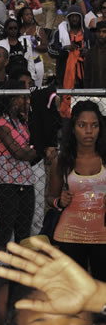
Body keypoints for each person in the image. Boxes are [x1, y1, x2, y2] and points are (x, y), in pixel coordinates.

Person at [46, 100, 106, 281]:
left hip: (103, 235)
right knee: (74, 290)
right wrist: (59, 201)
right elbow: (50, 197)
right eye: (82, 125)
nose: (89, 131)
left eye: (94, 125)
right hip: (70, 235)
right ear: (73, 128)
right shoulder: (62, 161)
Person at [0, 81, 36, 250]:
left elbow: (31, 148)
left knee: (23, 231)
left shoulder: (22, 123)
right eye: (19, 97)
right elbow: (18, 152)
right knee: (5, 229)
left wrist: (32, 149)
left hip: (26, 179)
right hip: (7, 181)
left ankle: (20, 270)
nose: (23, 101)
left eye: (24, 97)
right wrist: (35, 150)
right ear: (9, 99)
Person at [49, 5, 92, 117]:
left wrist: (88, 52)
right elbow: (50, 51)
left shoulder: (87, 34)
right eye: (71, 16)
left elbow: (97, 51)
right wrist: (64, 49)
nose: (74, 19)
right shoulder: (60, 33)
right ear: (68, 18)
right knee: (67, 109)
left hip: (85, 76)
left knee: (85, 107)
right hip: (65, 75)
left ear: (81, 18)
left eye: (76, 16)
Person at [0, 17, 40, 86]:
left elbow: (30, 62)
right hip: (9, 78)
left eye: (15, 28)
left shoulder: (25, 42)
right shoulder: (1, 44)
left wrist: (31, 78)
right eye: (10, 28)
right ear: (6, 30)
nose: (13, 30)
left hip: (24, 76)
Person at [84, 19, 106, 87]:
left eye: (104, 32)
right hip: (95, 94)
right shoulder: (90, 53)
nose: (101, 34)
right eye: (98, 31)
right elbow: (87, 77)